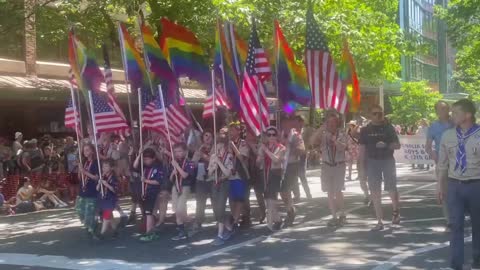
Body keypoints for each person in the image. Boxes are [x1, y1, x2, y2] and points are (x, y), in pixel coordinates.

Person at [437, 99, 480, 270]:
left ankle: (477, 260)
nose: (451, 115)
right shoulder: (448, 135)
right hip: (454, 185)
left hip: (476, 184)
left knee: (478, 224)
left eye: (455, 112)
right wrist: (440, 186)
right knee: (455, 225)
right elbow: (442, 164)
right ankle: (456, 264)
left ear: (468, 115)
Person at [359, 104, 401, 231]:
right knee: (375, 192)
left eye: (380, 113)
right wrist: (361, 168)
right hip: (372, 162)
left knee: (391, 189)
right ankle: (379, 221)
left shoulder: (389, 128)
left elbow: (397, 145)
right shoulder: (365, 130)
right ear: (370, 116)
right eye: (375, 113)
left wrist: (387, 145)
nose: (378, 116)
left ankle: (395, 211)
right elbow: (361, 151)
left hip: (387, 161)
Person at [312, 111, 348, 227]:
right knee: (329, 192)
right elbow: (311, 141)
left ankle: (342, 214)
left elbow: (342, 147)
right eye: (329, 122)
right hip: (326, 165)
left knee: (338, 191)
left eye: (333, 122)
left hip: (339, 165)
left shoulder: (342, 134)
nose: (331, 124)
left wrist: (333, 139)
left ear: (337, 123)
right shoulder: (322, 134)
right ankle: (334, 216)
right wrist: (320, 129)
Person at [425, 100, 453, 232]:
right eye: (441, 109)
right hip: (442, 163)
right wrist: (433, 156)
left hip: (459, 162)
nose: (444, 111)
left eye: (445, 108)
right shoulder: (433, 127)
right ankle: (449, 221)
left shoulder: (456, 123)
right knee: (444, 192)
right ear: (436, 111)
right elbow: (428, 146)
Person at [257, 126, 286, 231]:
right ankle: (278, 220)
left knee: (271, 201)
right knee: (267, 201)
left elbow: (276, 160)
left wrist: (266, 151)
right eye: (269, 134)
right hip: (264, 174)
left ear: (276, 136)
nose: (271, 137)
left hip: (275, 175)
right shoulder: (263, 147)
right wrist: (260, 155)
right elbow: (258, 162)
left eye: (274, 134)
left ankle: (269, 225)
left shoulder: (281, 147)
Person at [134, 148, 165, 242]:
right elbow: (135, 166)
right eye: (145, 159)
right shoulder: (144, 167)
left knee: (149, 213)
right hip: (144, 193)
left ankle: (149, 233)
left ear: (153, 158)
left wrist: (146, 180)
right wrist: (139, 155)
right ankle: (151, 231)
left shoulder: (158, 168)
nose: (146, 161)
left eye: (148, 159)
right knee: (147, 213)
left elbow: (158, 182)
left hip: (152, 193)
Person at [208, 139, 235, 245]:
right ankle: (229, 226)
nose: (218, 150)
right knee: (215, 209)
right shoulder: (213, 157)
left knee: (220, 207)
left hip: (224, 183)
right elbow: (209, 172)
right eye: (217, 148)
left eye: (220, 148)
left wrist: (219, 163)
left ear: (225, 148)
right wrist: (212, 168)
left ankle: (220, 234)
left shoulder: (229, 156)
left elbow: (228, 173)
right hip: (214, 183)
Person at [281, 117, 306, 227]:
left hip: (291, 165)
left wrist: (289, 145)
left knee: (286, 190)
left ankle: (290, 211)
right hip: (279, 166)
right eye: (283, 122)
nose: (285, 124)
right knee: (282, 192)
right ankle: (290, 208)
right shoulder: (278, 134)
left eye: (287, 122)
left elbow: (301, 150)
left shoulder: (296, 135)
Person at [169, 142, 196, 241]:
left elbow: (185, 175)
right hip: (175, 187)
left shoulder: (189, 162)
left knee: (180, 209)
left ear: (185, 152)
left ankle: (190, 221)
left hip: (185, 187)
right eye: (175, 152)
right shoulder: (173, 162)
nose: (177, 153)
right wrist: (173, 172)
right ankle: (181, 231)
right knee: (176, 209)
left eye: (180, 151)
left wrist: (178, 167)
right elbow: (170, 179)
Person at [191, 130, 214, 234]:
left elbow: (214, 161)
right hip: (200, 178)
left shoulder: (215, 148)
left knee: (215, 201)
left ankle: (219, 220)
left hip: (213, 178)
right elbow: (193, 164)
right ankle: (198, 221)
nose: (207, 138)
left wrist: (204, 155)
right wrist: (198, 154)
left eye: (209, 136)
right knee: (200, 202)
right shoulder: (199, 149)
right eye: (205, 135)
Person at [227, 122, 250, 229]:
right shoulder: (227, 143)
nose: (230, 132)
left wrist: (233, 147)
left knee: (240, 198)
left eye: (233, 130)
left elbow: (242, 158)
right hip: (229, 174)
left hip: (240, 174)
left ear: (238, 131)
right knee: (232, 198)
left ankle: (236, 220)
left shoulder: (243, 143)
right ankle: (234, 218)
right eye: (229, 130)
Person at [76, 143, 100, 239]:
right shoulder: (84, 162)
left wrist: (85, 172)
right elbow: (79, 177)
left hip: (92, 191)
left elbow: (96, 178)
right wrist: (80, 169)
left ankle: (93, 230)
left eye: (87, 150)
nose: (85, 152)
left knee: (90, 212)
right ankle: (89, 226)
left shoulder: (95, 163)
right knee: (79, 210)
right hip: (82, 190)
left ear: (92, 151)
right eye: (84, 150)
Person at [96, 159, 119, 239]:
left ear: (111, 167)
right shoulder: (102, 176)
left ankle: (102, 234)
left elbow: (115, 190)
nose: (104, 168)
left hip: (110, 199)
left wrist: (107, 185)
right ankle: (115, 230)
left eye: (106, 166)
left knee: (106, 215)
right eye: (103, 166)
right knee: (110, 216)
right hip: (103, 199)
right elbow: (97, 189)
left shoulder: (114, 178)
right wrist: (99, 183)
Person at [292, 115, 312, 201]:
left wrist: (307, 151)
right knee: (294, 177)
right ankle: (297, 195)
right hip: (293, 156)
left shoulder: (305, 132)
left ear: (301, 122)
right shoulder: (292, 132)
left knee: (302, 175)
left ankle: (308, 194)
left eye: (297, 121)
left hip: (302, 156)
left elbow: (309, 143)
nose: (295, 123)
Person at [64, 137, 79, 203]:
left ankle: (77, 197)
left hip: (76, 169)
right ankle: (72, 196)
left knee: (77, 183)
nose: (69, 142)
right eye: (68, 141)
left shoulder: (76, 147)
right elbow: (65, 160)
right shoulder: (65, 149)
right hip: (69, 169)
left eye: (70, 140)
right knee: (71, 184)